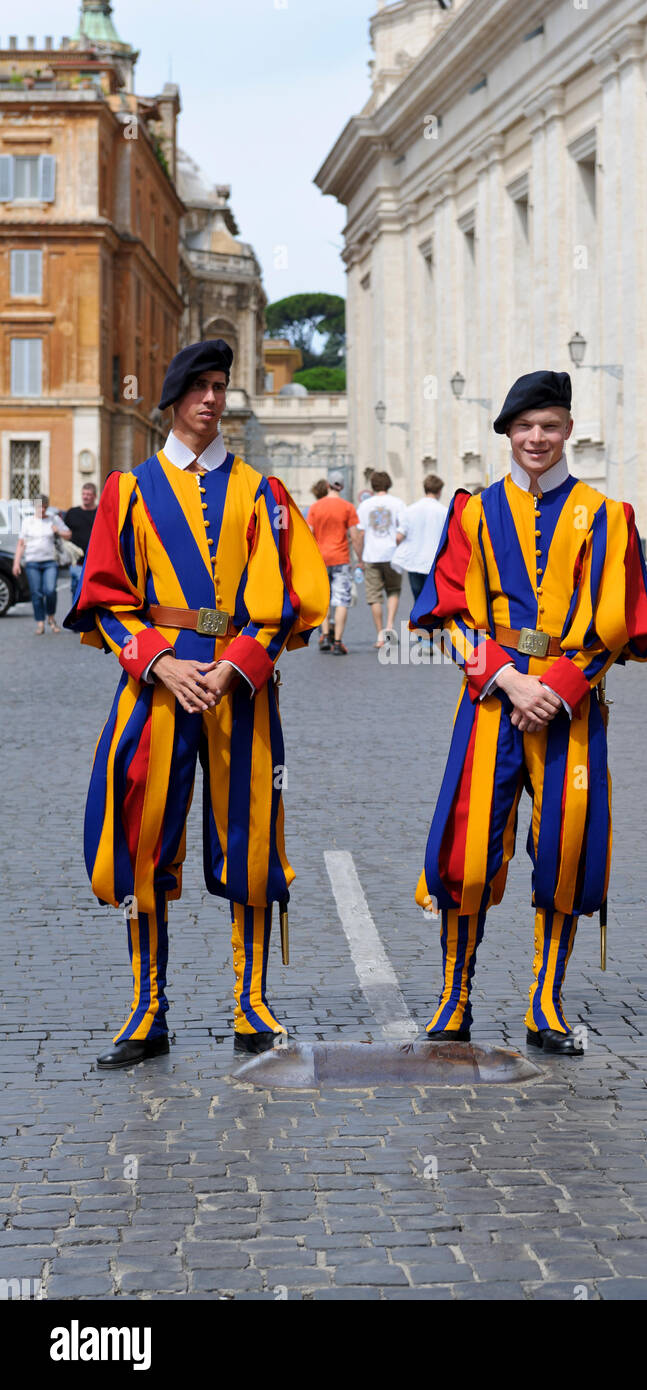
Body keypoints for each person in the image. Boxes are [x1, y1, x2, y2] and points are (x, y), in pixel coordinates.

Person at [64, 339, 329, 1068]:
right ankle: (147, 1008)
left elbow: (286, 605)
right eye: (198, 387)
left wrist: (235, 666)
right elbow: (104, 600)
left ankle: (251, 1003)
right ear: (173, 399)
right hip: (154, 691)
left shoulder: (263, 494)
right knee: (142, 843)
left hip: (239, 693)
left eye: (220, 386)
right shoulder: (129, 491)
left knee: (250, 842)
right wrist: (161, 662)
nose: (212, 399)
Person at [410, 370, 647, 1055]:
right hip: (491, 703)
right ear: (508, 436)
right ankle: (452, 997)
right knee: (466, 850)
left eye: (548, 425)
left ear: (568, 430)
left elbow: (616, 621)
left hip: (570, 709)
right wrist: (509, 680)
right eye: (524, 427)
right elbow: (447, 610)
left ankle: (544, 1002)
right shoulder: (472, 511)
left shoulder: (607, 517)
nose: (536, 438)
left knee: (565, 851)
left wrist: (560, 686)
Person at [306, 471, 362, 655]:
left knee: (324, 600)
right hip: (341, 559)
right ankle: (337, 641)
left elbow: (308, 534)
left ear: (328, 485)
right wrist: (360, 559)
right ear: (342, 487)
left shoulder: (315, 507)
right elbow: (354, 536)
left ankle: (324, 634)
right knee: (341, 600)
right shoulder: (348, 507)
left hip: (320, 559)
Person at [355, 471, 408, 648]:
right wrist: (397, 543)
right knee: (393, 589)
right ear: (389, 484)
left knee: (374, 596)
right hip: (392, 553)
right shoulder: (398, 503)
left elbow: (360, 533)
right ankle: (390, 626)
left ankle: (379, 634)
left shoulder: (364, 506)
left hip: (371, 554)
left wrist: (359, 557)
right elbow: (403, 528)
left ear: (373, 485)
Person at [12, 494, 71, 635]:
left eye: (45, 507)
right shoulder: (27, 522)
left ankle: (51, 617)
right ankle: (40, 622)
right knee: (36, 593)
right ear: (34, 506)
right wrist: (16, 563)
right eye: (40, 507)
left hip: (50, 561)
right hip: (32, 562)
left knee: (50, 590)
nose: (42, 510)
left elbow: (68, 534)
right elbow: (21, 543)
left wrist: (58, 531)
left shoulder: (53, 519)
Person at [392, 473, 448, 602]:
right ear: (439, 491)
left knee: (418, 600)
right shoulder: (444, 512)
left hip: (414, 561)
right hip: (435, 562)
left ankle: (419, 622)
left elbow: (399, 535)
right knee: (434, 600)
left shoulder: (410, 510)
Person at [64, 482, 99, 593]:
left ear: (95, 496)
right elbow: (65, 532)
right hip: (77, 561)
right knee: (76, 588)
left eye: (88, 494)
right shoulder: (72, 512)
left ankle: (81, 609)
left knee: (85, 588)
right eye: (84, 494)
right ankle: (76, 609)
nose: (85, 497)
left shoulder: (100, 513)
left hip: (95, 561)